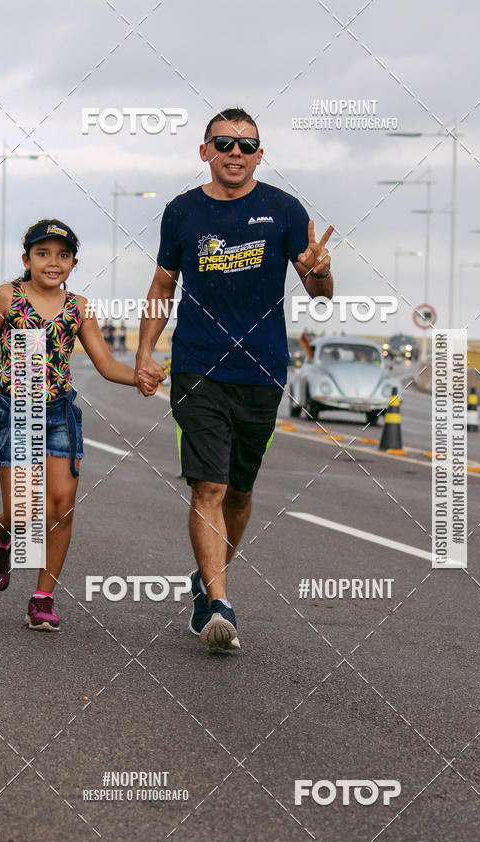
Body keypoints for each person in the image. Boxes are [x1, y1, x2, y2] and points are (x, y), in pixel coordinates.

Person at [135, 108, 333, 651]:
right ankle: (220, 605)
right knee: (210, 485)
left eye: (247, 145)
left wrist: (318, 268)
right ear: (205, 152)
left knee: (240, 495)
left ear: (260, 155)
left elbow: (320, 293)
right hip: (198, 367)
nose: (235, 153)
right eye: (224, 143)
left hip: (263, 372)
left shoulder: (283, 210)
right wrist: (146, 351)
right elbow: (161, 285)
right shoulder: (182, 212)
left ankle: (206, 580)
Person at [0, 219, 143, 632]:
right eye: (43, 254)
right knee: (24, 514)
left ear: (74, 262)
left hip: (59, 412)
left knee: (60, 506)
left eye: (62, 255)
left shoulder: (78, 307)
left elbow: (106, 364)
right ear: (26, 260)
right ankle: (2, 534)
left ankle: (42, 598)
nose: (52, 262)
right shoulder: (10, 295)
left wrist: (139, 376)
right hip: (17, 409)